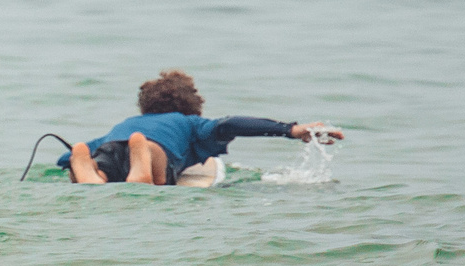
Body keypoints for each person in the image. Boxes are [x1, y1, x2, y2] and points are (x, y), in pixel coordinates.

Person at [69, 68, 341, 185]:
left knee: (99, 163)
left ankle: (91, 173)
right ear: (192, 106)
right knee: (152, 156)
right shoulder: (189, 123)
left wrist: (68, 159)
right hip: (154, 150)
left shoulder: (126, 124)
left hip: (109, 147)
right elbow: (231, 124)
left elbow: (60, 159)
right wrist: (290, 130)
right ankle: (144, 165)